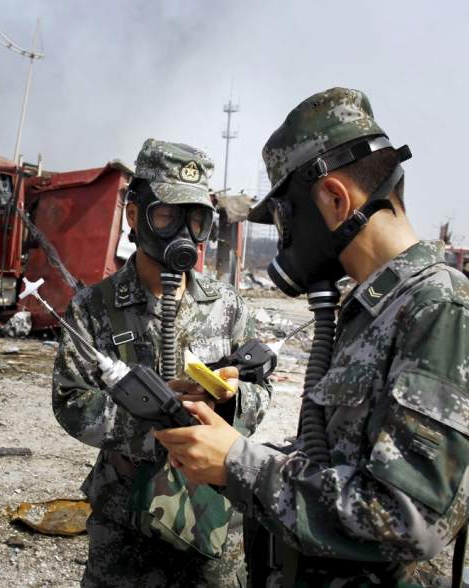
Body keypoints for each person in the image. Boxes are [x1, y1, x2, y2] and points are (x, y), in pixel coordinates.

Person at [155, 87, 469, 587]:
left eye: (283, 220)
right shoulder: (376, 308)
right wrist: (224, 436)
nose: (284, 241)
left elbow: (407, 518)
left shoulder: (440, 314)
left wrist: (236, 463)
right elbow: (336, 461)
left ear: (335, 198)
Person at [52, 138, 272, 587]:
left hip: (210, 519)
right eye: (168, 216)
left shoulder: (227, 305)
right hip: (125, 520)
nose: (183, 233)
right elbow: (71, 400)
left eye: (196, 219)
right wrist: (157, 427)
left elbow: (259, 390)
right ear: (135, 215)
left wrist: (228, 404)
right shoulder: (95, 307)